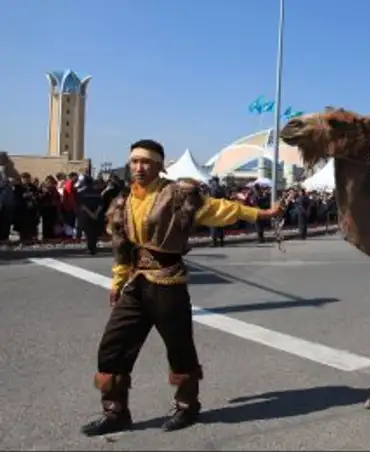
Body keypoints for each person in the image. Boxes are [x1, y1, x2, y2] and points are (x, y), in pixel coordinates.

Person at [80, 139, 284, 437]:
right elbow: (123, 249)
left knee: (180, 349)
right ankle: (115, 411)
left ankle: (187, 406)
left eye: (146, 161)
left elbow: (219, 208)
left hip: (169, 285)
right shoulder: (123, 201)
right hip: (137, 284)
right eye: (135, 161)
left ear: (160, 165)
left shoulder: (177, 195)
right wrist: (117, 282)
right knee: (113, 345)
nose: (139, 167)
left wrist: (260, 214)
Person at [76, 174, 104, 255]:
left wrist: (90, 213)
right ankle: (93, 248)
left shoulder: (81, 192)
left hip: (86, 215)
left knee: (88, 232)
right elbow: (101, 205)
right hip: (96, 215)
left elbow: (82, 206)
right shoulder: (97, 192)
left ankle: (90, 248)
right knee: (94, 232)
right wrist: (95, 213)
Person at [207, 176, 227, 246]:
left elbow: (212, 198)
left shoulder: (213, 188)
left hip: (215, 208)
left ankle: (214, 241)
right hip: (221, 208)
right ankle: (221, 241)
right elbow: (225, 198)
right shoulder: (221, 188)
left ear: (213, 181)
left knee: (213, 225)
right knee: (220, 224)